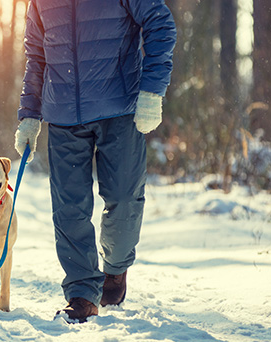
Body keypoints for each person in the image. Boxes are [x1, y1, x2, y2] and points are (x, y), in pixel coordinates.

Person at [14, 0, 176, 323]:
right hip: (62, 116)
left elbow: (161, 24)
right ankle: (82, 293)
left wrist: (152, 91)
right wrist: (30, 115)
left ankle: (115, 269)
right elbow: (36, 55)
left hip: (119, 107)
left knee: (124, 198)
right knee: (69, 208)